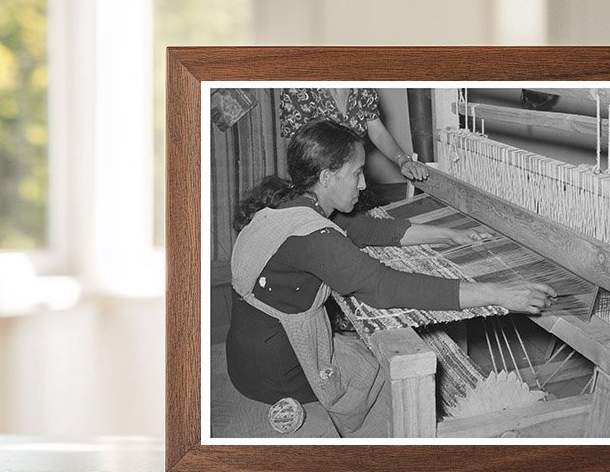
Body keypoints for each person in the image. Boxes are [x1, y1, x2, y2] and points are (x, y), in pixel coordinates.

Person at [225, 119, 554, 438]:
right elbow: (385, 287)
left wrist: (450, 235)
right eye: (356, 173)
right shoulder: (314, 238)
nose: (363, 184)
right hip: (274, 372)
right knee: (385, 385)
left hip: (251, 352)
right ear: (326, 177)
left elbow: (371, 230)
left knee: (368, 358)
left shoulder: (295, 208)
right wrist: (497, 293)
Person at [279, 86, 429, 181]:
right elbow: (297, 154)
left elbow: (378, 132)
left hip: (352, 180)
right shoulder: (298, 89)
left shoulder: (361, 86)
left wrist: (403, 160)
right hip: (318, 183)